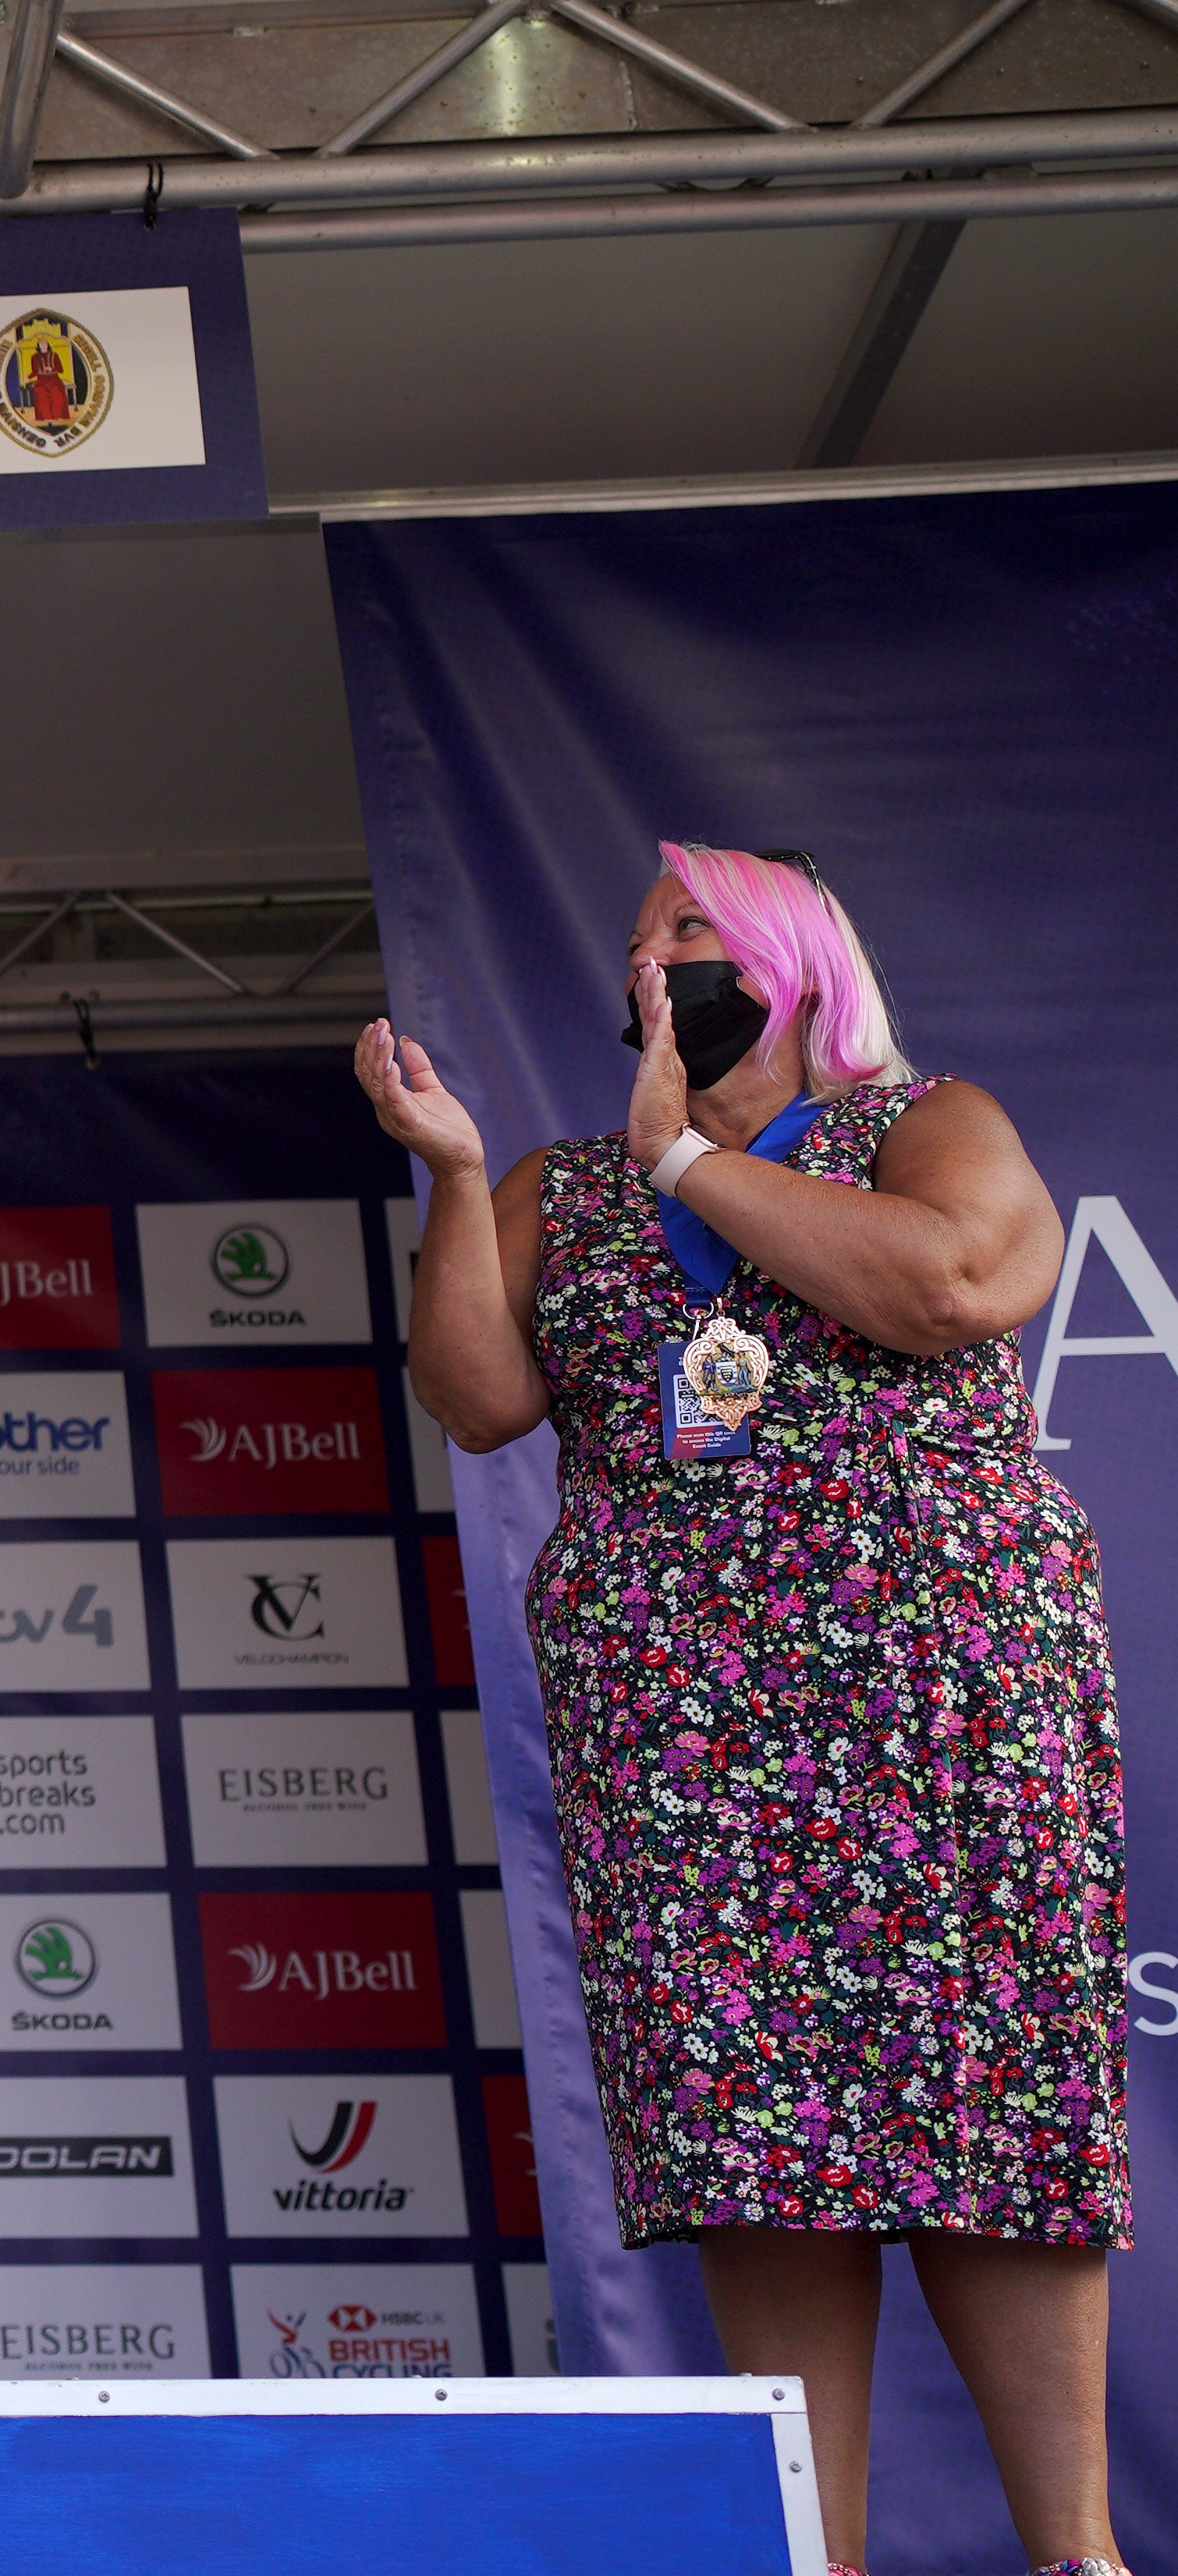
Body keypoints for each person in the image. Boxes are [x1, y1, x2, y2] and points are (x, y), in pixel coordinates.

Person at [360, 842, 1126, 2576]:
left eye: (686, 930)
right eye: (635, 940)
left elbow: (944, 1287)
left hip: (938, 1705)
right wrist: (460, 1174)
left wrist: (688, 1163)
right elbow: (478, 1401)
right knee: (748, 2132)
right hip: (685, 1729)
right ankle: (810, 2559)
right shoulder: (561, 1184)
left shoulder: (920, 1123)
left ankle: (1072, 2558)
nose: (649, 961)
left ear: (786, 963)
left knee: (988, 2107)